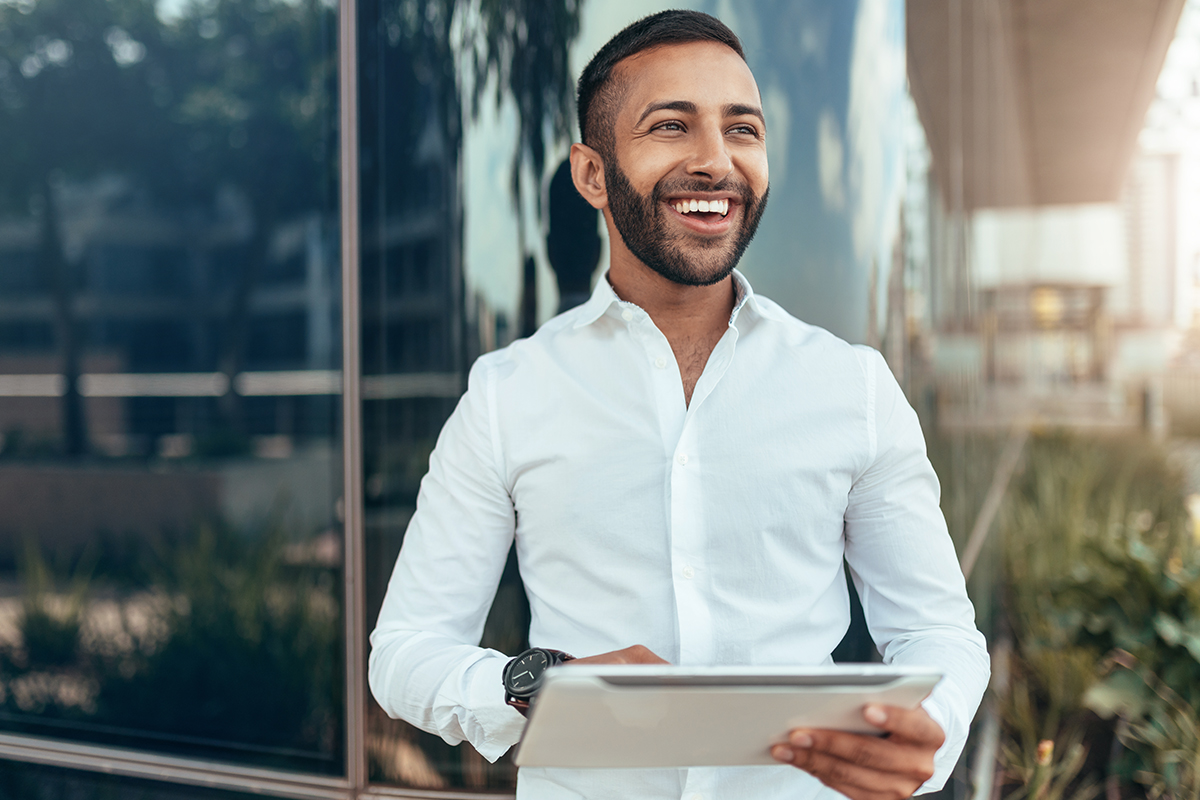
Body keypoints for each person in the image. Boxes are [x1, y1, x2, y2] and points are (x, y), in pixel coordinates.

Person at [369, 10, 990, 800]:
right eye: (671, 127)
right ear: (592, 175)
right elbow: (405, 652)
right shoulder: (506, 394)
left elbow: (939, 632)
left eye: (743, 130)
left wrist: (924, 735)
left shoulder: (853, 387)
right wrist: (541, 682)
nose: (715, 161)